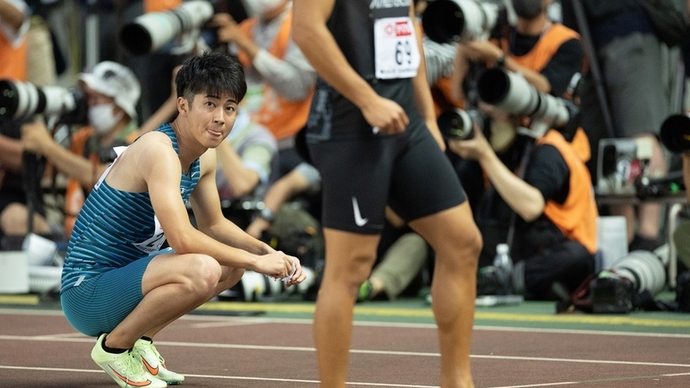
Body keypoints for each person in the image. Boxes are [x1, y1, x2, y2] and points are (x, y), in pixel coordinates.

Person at [59, 51, 306, 388]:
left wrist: (264, 252)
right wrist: (258, 264)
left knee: (229, 263)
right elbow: (183, 240)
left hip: (126, 281)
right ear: (183, 105)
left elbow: (216, 226)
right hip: (86, 293)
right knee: (204, 267)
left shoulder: (205, 158)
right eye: (210, 104)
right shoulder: (158, 151)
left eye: (230, 107)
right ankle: (115, 348)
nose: (220, 117)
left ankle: (140, 341)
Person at [292, 2, 482, 387]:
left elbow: (404, 23)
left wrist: (427, 115)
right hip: (350, 127)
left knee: (463, 242)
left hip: (405, 120)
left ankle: (457, 381)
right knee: (350, 268)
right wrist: (367, 99)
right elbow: (306, 31)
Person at [561, 0, 684, 251]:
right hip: (590, 40)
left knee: (640, 137)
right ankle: (623, 238)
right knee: (612, 149)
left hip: (627, 30)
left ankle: (647, 237)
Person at [447, 107, 598, 300]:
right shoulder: (490, 149)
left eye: (493, 116)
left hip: (555, 247)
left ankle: (509, 281)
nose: (486, 122)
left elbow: (531, 207)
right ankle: (503, 280)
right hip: (508, 248)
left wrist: (485, 156)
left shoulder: (549, 149)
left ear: (519, 116)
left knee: (575, 257)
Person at [20, 61, 141, 239]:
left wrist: (47, 146)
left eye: (96, 99)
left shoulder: (137, 143)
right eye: (88, 98)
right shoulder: (84, 138)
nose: (90, 105)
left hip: (113, 245)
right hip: (76, 240)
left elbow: (102, 177)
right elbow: (54, 169)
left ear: (119, 103)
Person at [211, 0, 316, 176]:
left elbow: (297, 88)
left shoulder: (300, 24)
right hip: (248, 138)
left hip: (290, 142)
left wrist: (244, 43)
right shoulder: (245, 28)